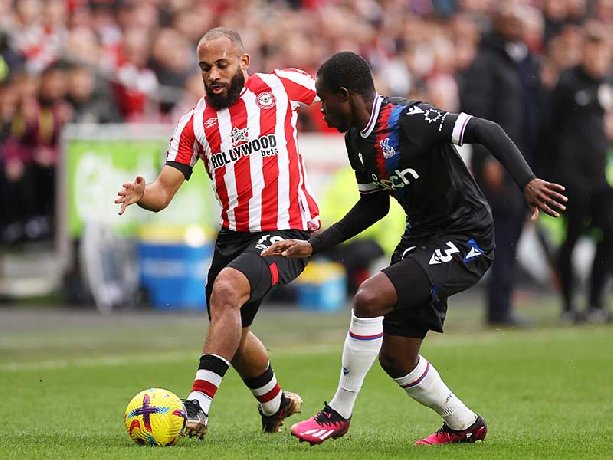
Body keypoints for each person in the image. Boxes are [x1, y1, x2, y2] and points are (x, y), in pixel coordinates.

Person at [262, 51, 566, 446]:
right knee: (397, 358)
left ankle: (337, 413)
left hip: (466, 237)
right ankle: (463, 423)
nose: (320, 109)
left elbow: (486, 129)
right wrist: (313, 244)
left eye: (324, 99)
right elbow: (374, 205)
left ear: (345, 94)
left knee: (369, 297)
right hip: (422, 239)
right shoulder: (357, 141)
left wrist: (525, 181)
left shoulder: (410, 120)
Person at [115, 27, 321, 439]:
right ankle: (275, 404)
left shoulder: (280, 88)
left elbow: (338, 95)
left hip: (287, 231)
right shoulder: (194, 123)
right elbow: (163, 191)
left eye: (222, 65)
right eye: (205, 68)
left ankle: (197, 405)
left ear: (244, 62)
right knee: (233, 331)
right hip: (233, 238)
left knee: (227, 290)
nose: (213, 75)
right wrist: (143, 195)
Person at [460, 5, 541, 326]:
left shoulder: (524, 61)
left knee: (512, 232)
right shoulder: (486, 63)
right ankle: (498, 307)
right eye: (512, 21)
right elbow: (477, 114)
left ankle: (501, 304)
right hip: (500, 161)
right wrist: (487, 157)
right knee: (504, 232)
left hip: (523, 161)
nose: (518, 27)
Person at [548, 23, 612, 324]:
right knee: (572, 238)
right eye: (594, 50)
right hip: (572, 177)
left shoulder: (606, 85)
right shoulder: (568, 84)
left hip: (601, 176)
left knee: (609, 234)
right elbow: (550, 129)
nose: (599, 58)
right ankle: (568, 305)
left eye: (604, 53)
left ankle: (596, 302)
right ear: (584, 51)